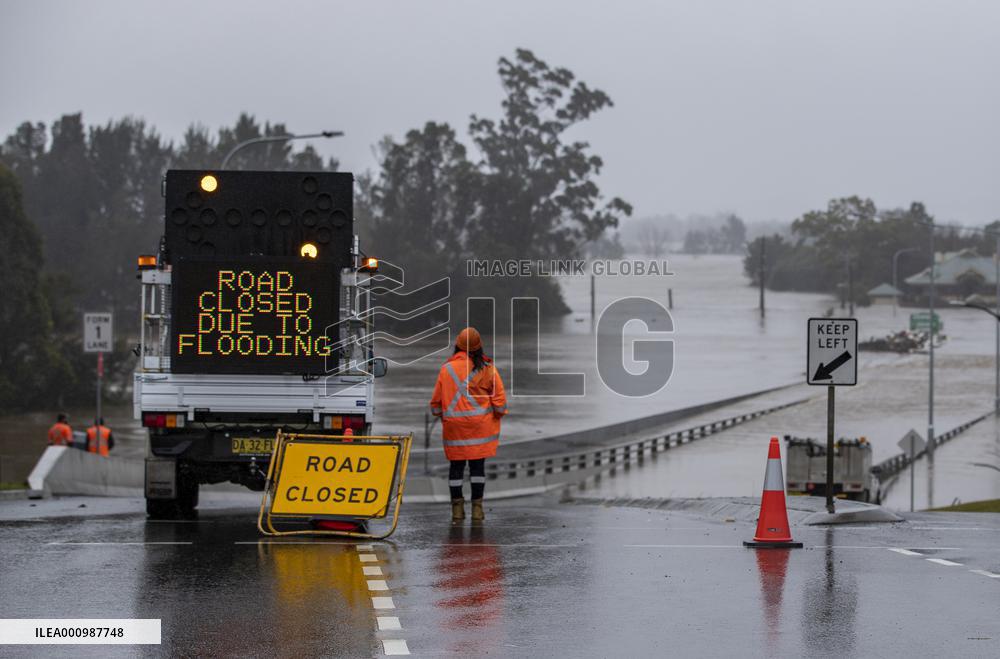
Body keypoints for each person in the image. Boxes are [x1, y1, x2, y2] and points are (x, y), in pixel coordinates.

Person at [430, 327, 507, 523]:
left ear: (457, 345)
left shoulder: (446, 369)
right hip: (481, 428)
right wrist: (498, 414)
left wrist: (443, 416)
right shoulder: (488, 368)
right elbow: (499, 401)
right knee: (477, 468)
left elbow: (436, 403)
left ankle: (457, 511)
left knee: (456, 468)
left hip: (454, 428)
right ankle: (477, 510)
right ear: (478, 346)